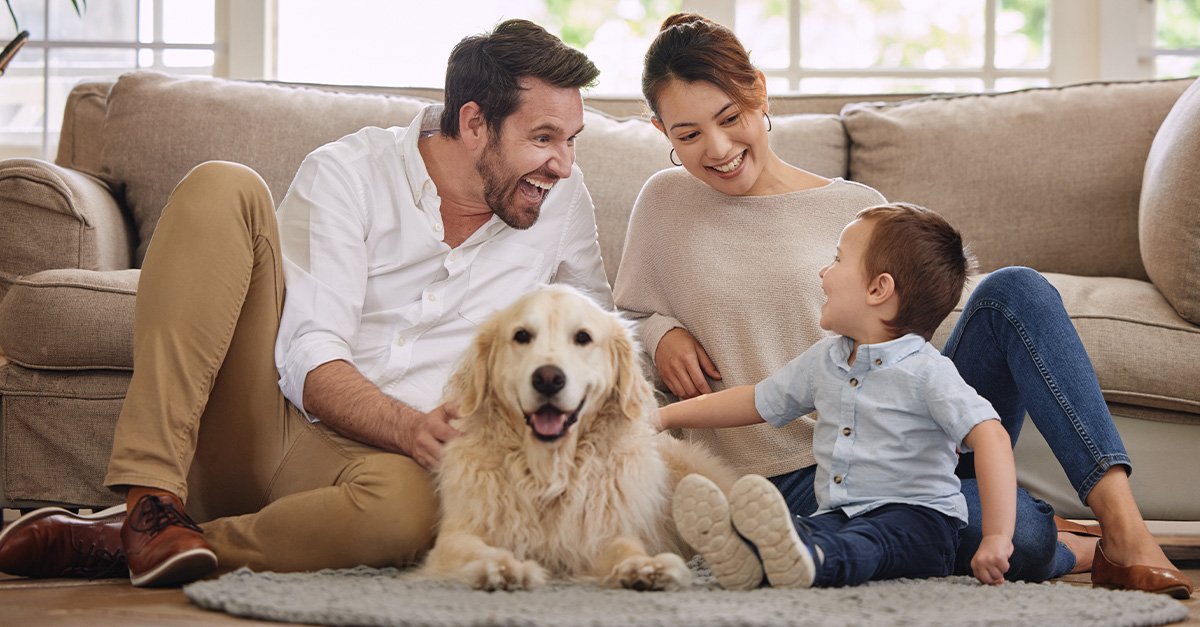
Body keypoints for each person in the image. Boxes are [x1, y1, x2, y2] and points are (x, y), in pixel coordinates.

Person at [0, 19, 610, 587]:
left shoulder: (560, 197)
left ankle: (138, 543)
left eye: (572, 140)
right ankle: (151, 499)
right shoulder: (350, 172)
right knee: (224, 186)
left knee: (409, 517)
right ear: (475, 122)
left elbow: (599, 328)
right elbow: (311, 354)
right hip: (267, 417)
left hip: (379, 467)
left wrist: (660, 333)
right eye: (544, 138)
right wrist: (409, 425)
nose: (562, 163)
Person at [614, 12, 1192, 598]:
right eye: (687, 135)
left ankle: (1124, 530)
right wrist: (661, 331)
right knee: (1021, 540)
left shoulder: (860, 209)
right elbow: (618, 323)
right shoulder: (666, 204)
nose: (717, 148)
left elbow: (914, 349)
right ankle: (1062, 539)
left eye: (730, 118)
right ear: (663, 132)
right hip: (797, 479)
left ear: (757, 90)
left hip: (914, 448)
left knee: (1017, 290)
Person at [665, 203, 1016, 589]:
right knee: (800, 529)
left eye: (836, 259)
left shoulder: (927, 371)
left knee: (866, 542)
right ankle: (749, 552)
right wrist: (666, 418)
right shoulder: (826, 359)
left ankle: (814, 560)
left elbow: (991, 435)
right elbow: (756, 401)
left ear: (878, 288)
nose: (822, 271)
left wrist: (996, 537)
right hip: (839, 513)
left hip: (920, 521)